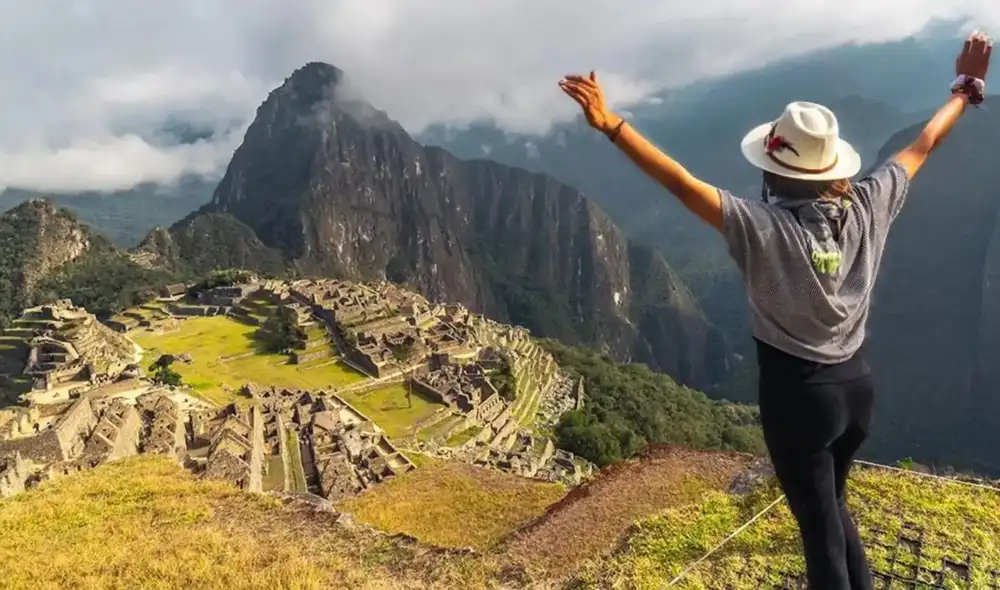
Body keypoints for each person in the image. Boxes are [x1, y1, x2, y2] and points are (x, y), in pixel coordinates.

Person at [559, 31, 992, 590]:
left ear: (772, 172)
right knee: (833, 506)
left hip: (798, 397)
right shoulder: (869, 202)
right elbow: (923, 145)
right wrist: (965, 88)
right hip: (856, 388)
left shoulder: (762, 227)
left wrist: (610, 124)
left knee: (819, 536)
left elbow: (680, 183)